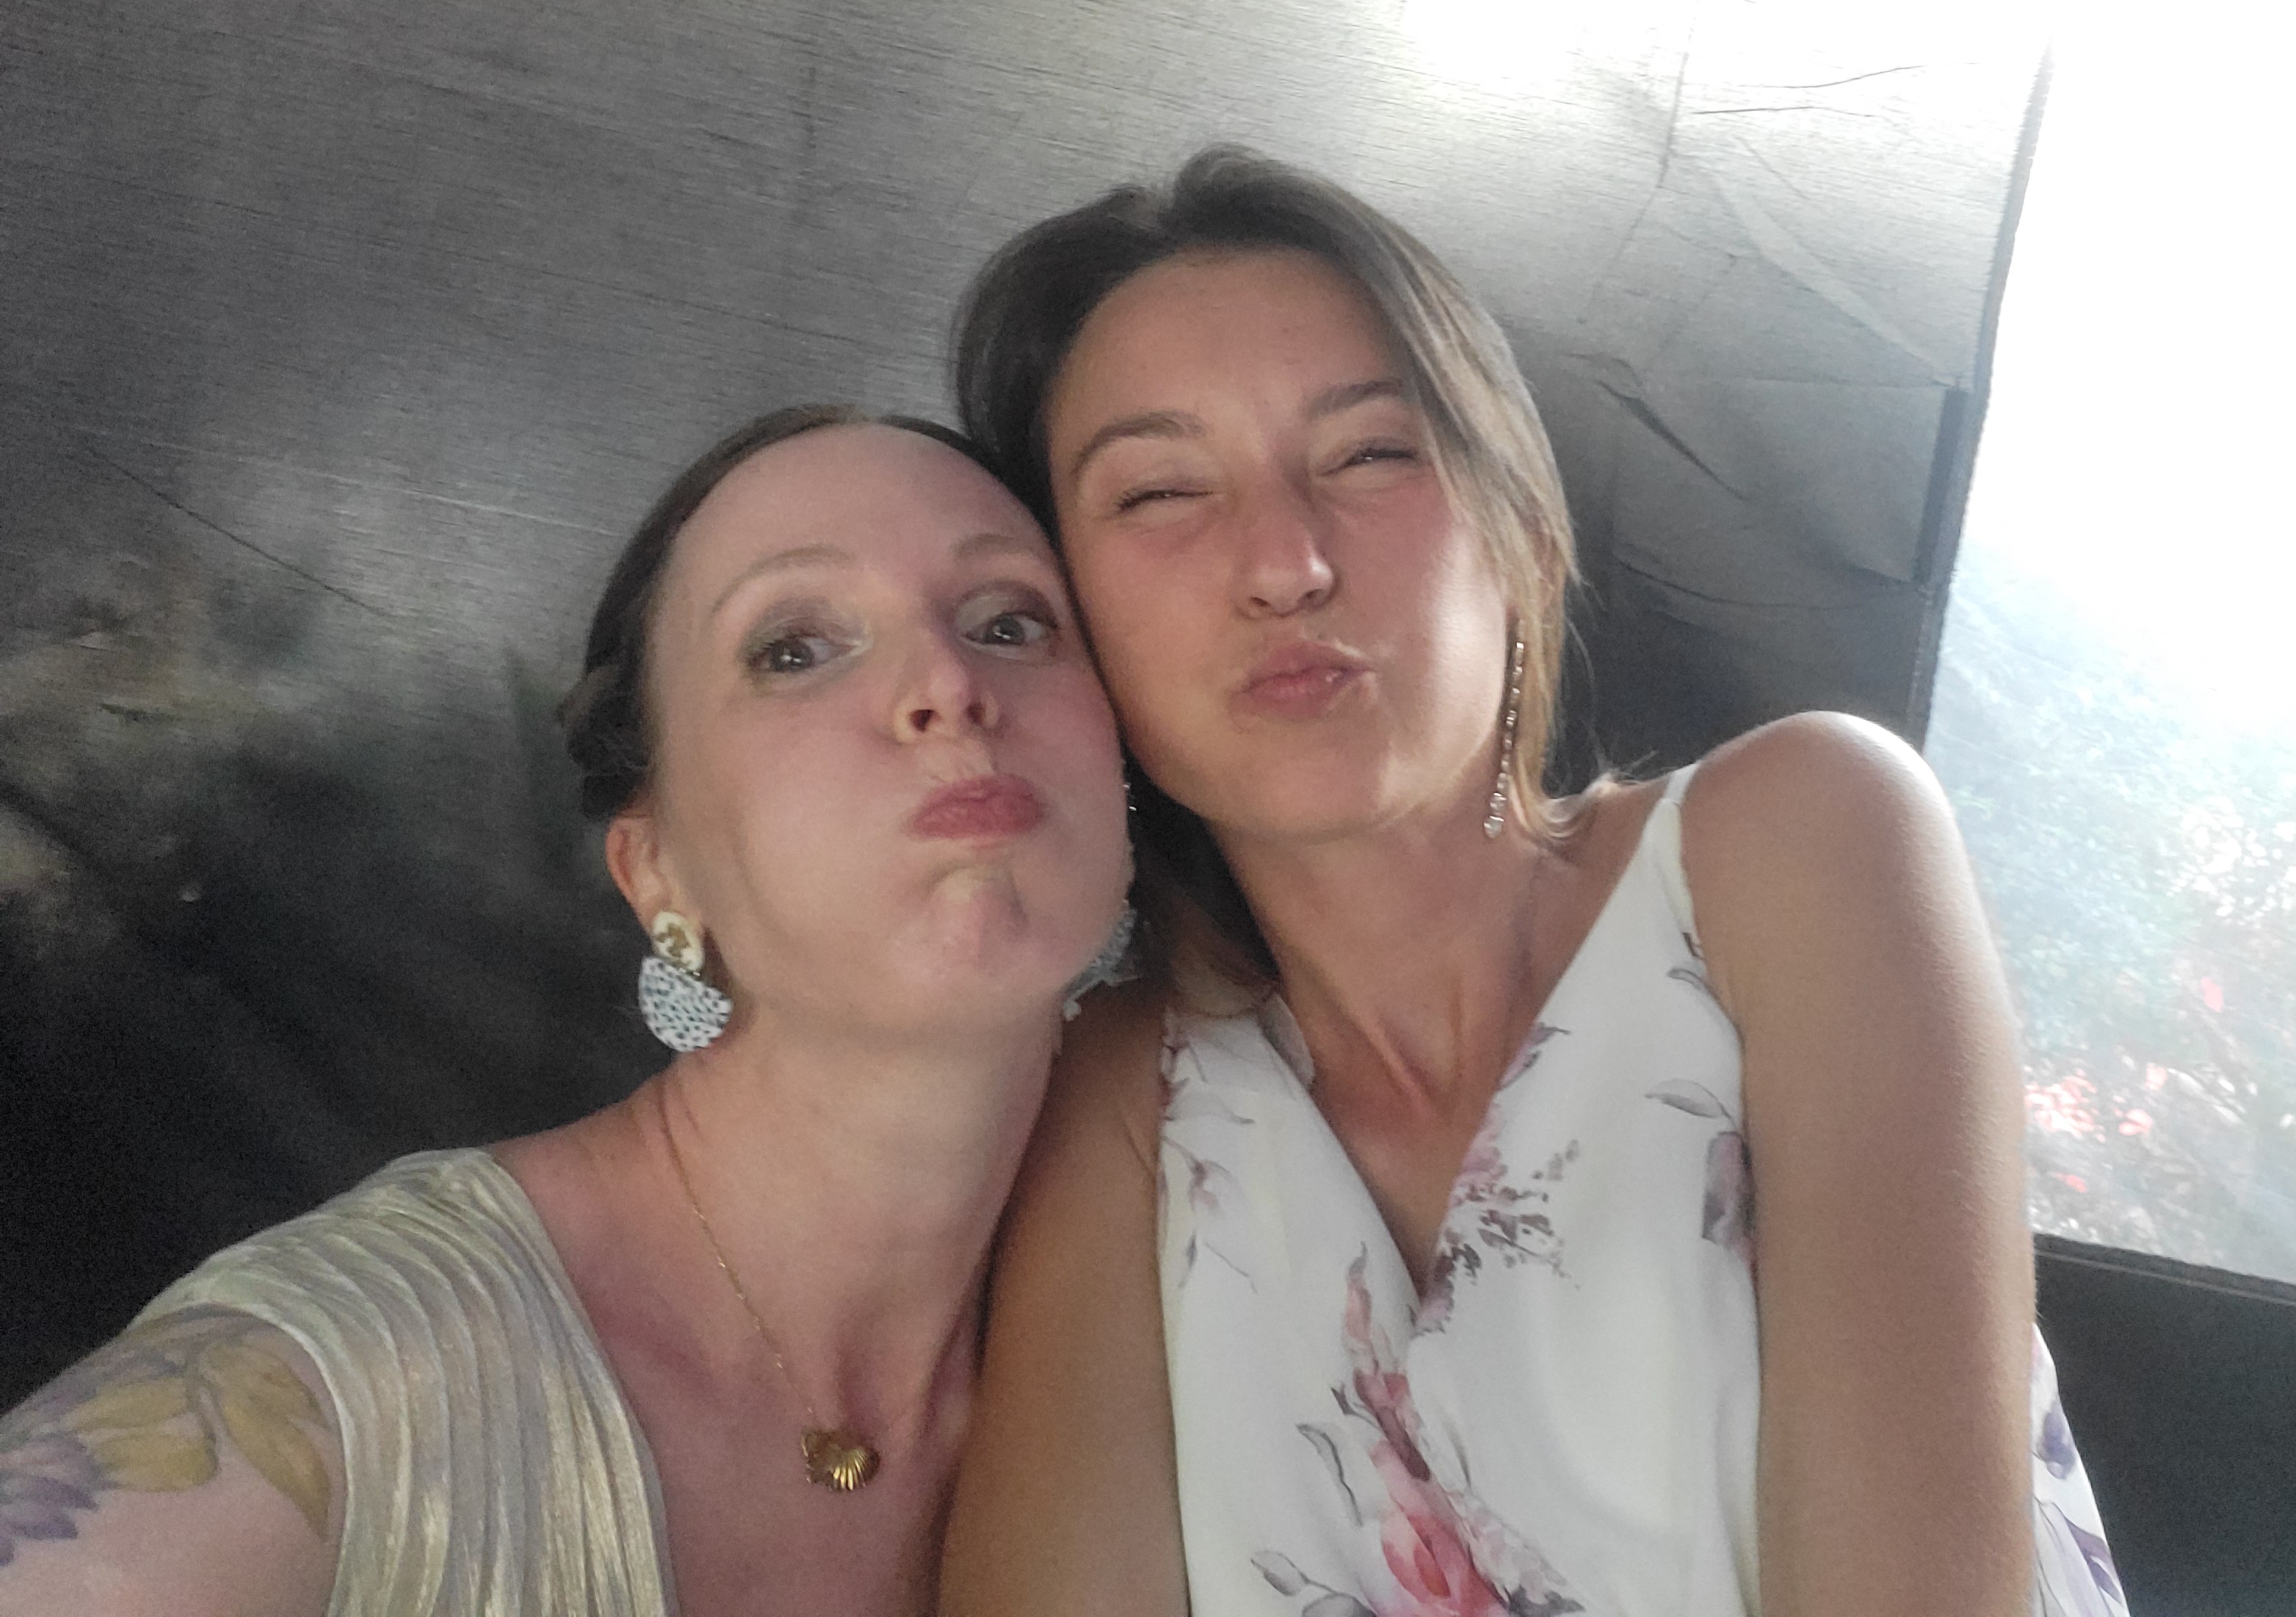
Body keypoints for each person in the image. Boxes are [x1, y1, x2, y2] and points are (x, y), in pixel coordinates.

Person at [935, 150, 2126, 1617]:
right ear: (1066, 623)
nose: (1284, 563)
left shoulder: (1793, 845)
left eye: (1370, 454)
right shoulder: (1127, 1100)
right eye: (1161, 490)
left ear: (1527, 536)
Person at [0, 405, 1136, 1616]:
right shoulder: (364, 1383)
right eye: (795, 647)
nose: (949, 684)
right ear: (659, 873)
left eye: (1010, 622)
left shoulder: (1192, 1317)